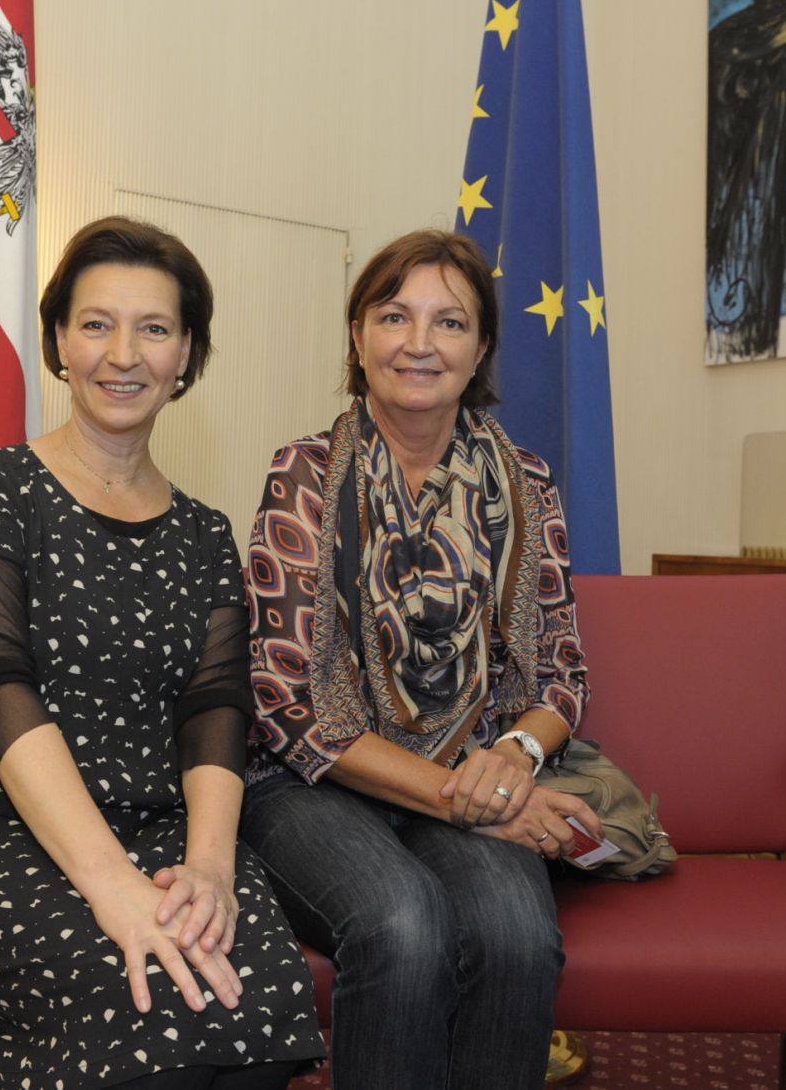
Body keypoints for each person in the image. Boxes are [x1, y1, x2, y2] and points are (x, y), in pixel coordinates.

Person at [0, 217, 325, 1090]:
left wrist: (209, 868)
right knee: (144, 1009)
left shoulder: (204, 534)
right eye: (96, 324)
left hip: (155, 826)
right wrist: (113, 886)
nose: (124, 355)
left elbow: (215, 709)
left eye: (154, 328)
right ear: (57, 340)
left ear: (186, 354)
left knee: (259, 994)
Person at [240, 229, 599, 1090]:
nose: (419, 342)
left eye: (450, 321)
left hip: (472, 769)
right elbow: (288, 706)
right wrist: (476, 799)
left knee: (517, 935)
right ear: (358, 336)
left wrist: (513, 757)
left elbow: (561, 677)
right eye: (394, 315)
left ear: (481, 348)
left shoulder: (527, 483)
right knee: (403, 926)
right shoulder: (305, 475)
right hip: (311, 784)